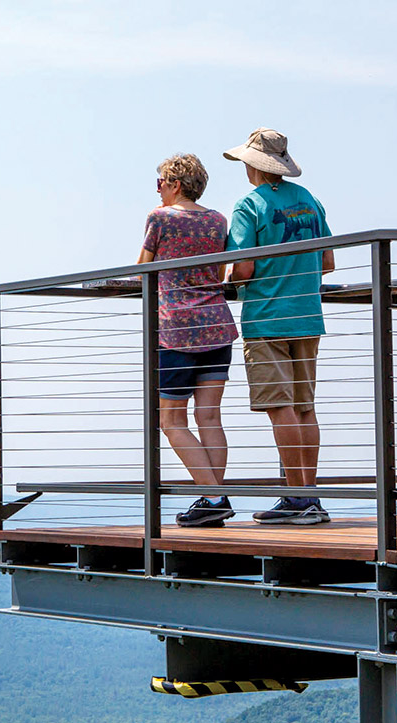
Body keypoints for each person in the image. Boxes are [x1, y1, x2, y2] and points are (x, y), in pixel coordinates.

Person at [224, 128, 335, 525]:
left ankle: (295, 498)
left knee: (279, 407)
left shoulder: (248, 205)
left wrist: (229, 286)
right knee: (305, 408)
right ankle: (310, 497)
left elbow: (243, 267)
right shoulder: (309, 200)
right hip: (307, 314)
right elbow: (327, 263)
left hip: (267, 316)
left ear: (251, 164)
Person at [139, 154, 239, 527]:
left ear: (176, 184)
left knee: (172, 421)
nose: (158, 189)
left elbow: (141, 269)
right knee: (210, 416)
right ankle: (212, 498)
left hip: (177, 330)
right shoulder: (217, 220)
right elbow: (220, 269)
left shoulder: (160, 218)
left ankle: (213, 496)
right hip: (217, 326)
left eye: (162, 182)